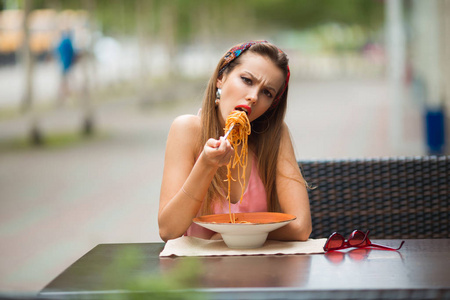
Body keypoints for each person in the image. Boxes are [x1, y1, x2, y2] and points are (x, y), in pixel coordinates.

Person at [158, 40, 312, 242]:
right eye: (247, 80)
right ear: (221, 78)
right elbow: (168, 230)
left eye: (267, 93)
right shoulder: (187, 130)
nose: (254, 97)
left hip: (263, 270)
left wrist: (225, 235)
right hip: (199, 270)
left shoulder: (275, 137)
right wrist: (205, 165)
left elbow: (300, 228)